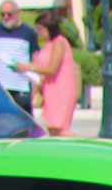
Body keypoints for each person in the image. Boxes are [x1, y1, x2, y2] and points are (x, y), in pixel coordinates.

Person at [28, 7, 79, 136]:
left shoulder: (59, 43)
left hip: (61, 89)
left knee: (61, 127)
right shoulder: (48, 44)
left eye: (40, 29)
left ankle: (80, 151)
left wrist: (29, 67)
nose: (38, 32)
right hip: (50, 89)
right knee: (52, 127)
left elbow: (52, 68)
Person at [0, 1, 37, 115]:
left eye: (9, 14)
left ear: (17, 13)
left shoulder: (28, 33)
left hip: (20, 88)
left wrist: (35, 88)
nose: (6, 17)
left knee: (24, 123)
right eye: (2, 14)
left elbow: (35, 60)